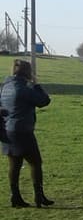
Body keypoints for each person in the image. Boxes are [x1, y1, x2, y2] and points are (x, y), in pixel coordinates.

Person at [1, 59, 53, 208]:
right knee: (35, 163)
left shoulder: (5, 87)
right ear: (28, 72)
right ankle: (39, 196)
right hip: (22, 131)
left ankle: (15, 197)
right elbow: (44, 101)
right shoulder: (23, 89)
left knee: (14, 164)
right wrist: (36, 85)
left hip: (7, 130)